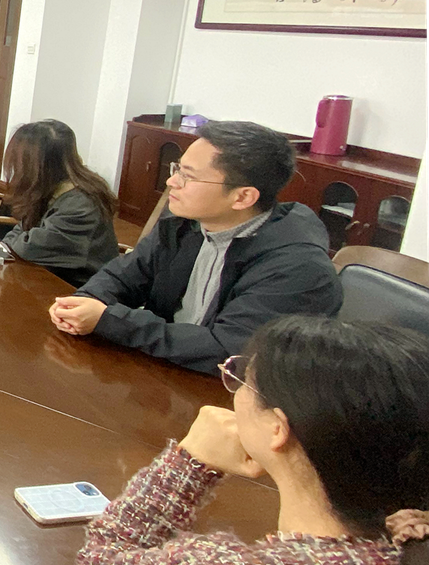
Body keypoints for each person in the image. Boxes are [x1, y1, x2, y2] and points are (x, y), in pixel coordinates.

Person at [77, 315, 428, 565]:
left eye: (243, 380)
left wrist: (188, 463)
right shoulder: (409, 545)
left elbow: (103, 556)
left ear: (277, 428)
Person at [50, 120, 342, 376]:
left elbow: (227, 352)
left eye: (188, 176)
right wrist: (84, 301)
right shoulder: (185, 223)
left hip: (227, 393)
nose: (171, 181)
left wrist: (111, 321)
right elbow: (124, 275)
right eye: (177, 168)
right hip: (164, 371)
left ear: (242, 197)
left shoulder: (297, 267)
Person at [0, 120, 120, 287]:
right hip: (45, 276)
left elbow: (29, 248)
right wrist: (8, 244)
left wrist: (10, 244)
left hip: (77, 290)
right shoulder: (49, 187)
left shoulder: (81, 204)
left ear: (36, 164)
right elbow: (20, 231)